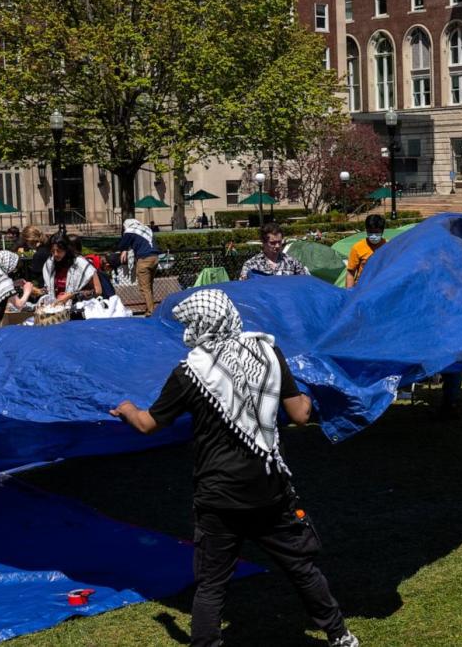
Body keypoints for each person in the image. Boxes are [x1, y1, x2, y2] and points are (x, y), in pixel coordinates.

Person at [109, 290, 358, 647]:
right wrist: (305, 391)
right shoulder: (267, 352)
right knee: (300, 567)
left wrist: (127, 408)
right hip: (269, 488)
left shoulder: (191, 371)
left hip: (219, 495)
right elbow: (301, 414)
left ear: (200, 324)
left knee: (212, 583)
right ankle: (339, 635)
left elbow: (149, 424)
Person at [118, 219, 162, 316]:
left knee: (144, 288)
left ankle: (151, 311)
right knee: (149, 286)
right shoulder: (146, 228)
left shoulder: (130, 231)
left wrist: (124, 250)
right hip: (155, 258)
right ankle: (150, 307)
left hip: (144, 259)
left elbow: (122, 244)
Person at [43, 233, 99, 303]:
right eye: (52, 251)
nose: (55, 254)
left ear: (66, 249)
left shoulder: (81, 264)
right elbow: (49, 289)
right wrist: (37, 291)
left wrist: (71, 296)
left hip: (77, 309)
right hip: (56, 308)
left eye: (59, 251)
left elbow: (97, 291)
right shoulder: (50, 264)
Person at [240, 223, 309, 279]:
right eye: (272, 243)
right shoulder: (251, 265)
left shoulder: (292, 262)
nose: (277, 246)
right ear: (263, 242)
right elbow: (243, 289)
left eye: (279, 242)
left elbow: (305, 282)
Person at [345, 215, 386, 288]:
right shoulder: (357, 248)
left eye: (376, 232)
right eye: (370, 232)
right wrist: (349, 292)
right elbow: (350, 273)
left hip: (381, 286)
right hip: (362, 288)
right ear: (366, 230)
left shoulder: (388, 246)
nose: (373, 236)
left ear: (382, 231)